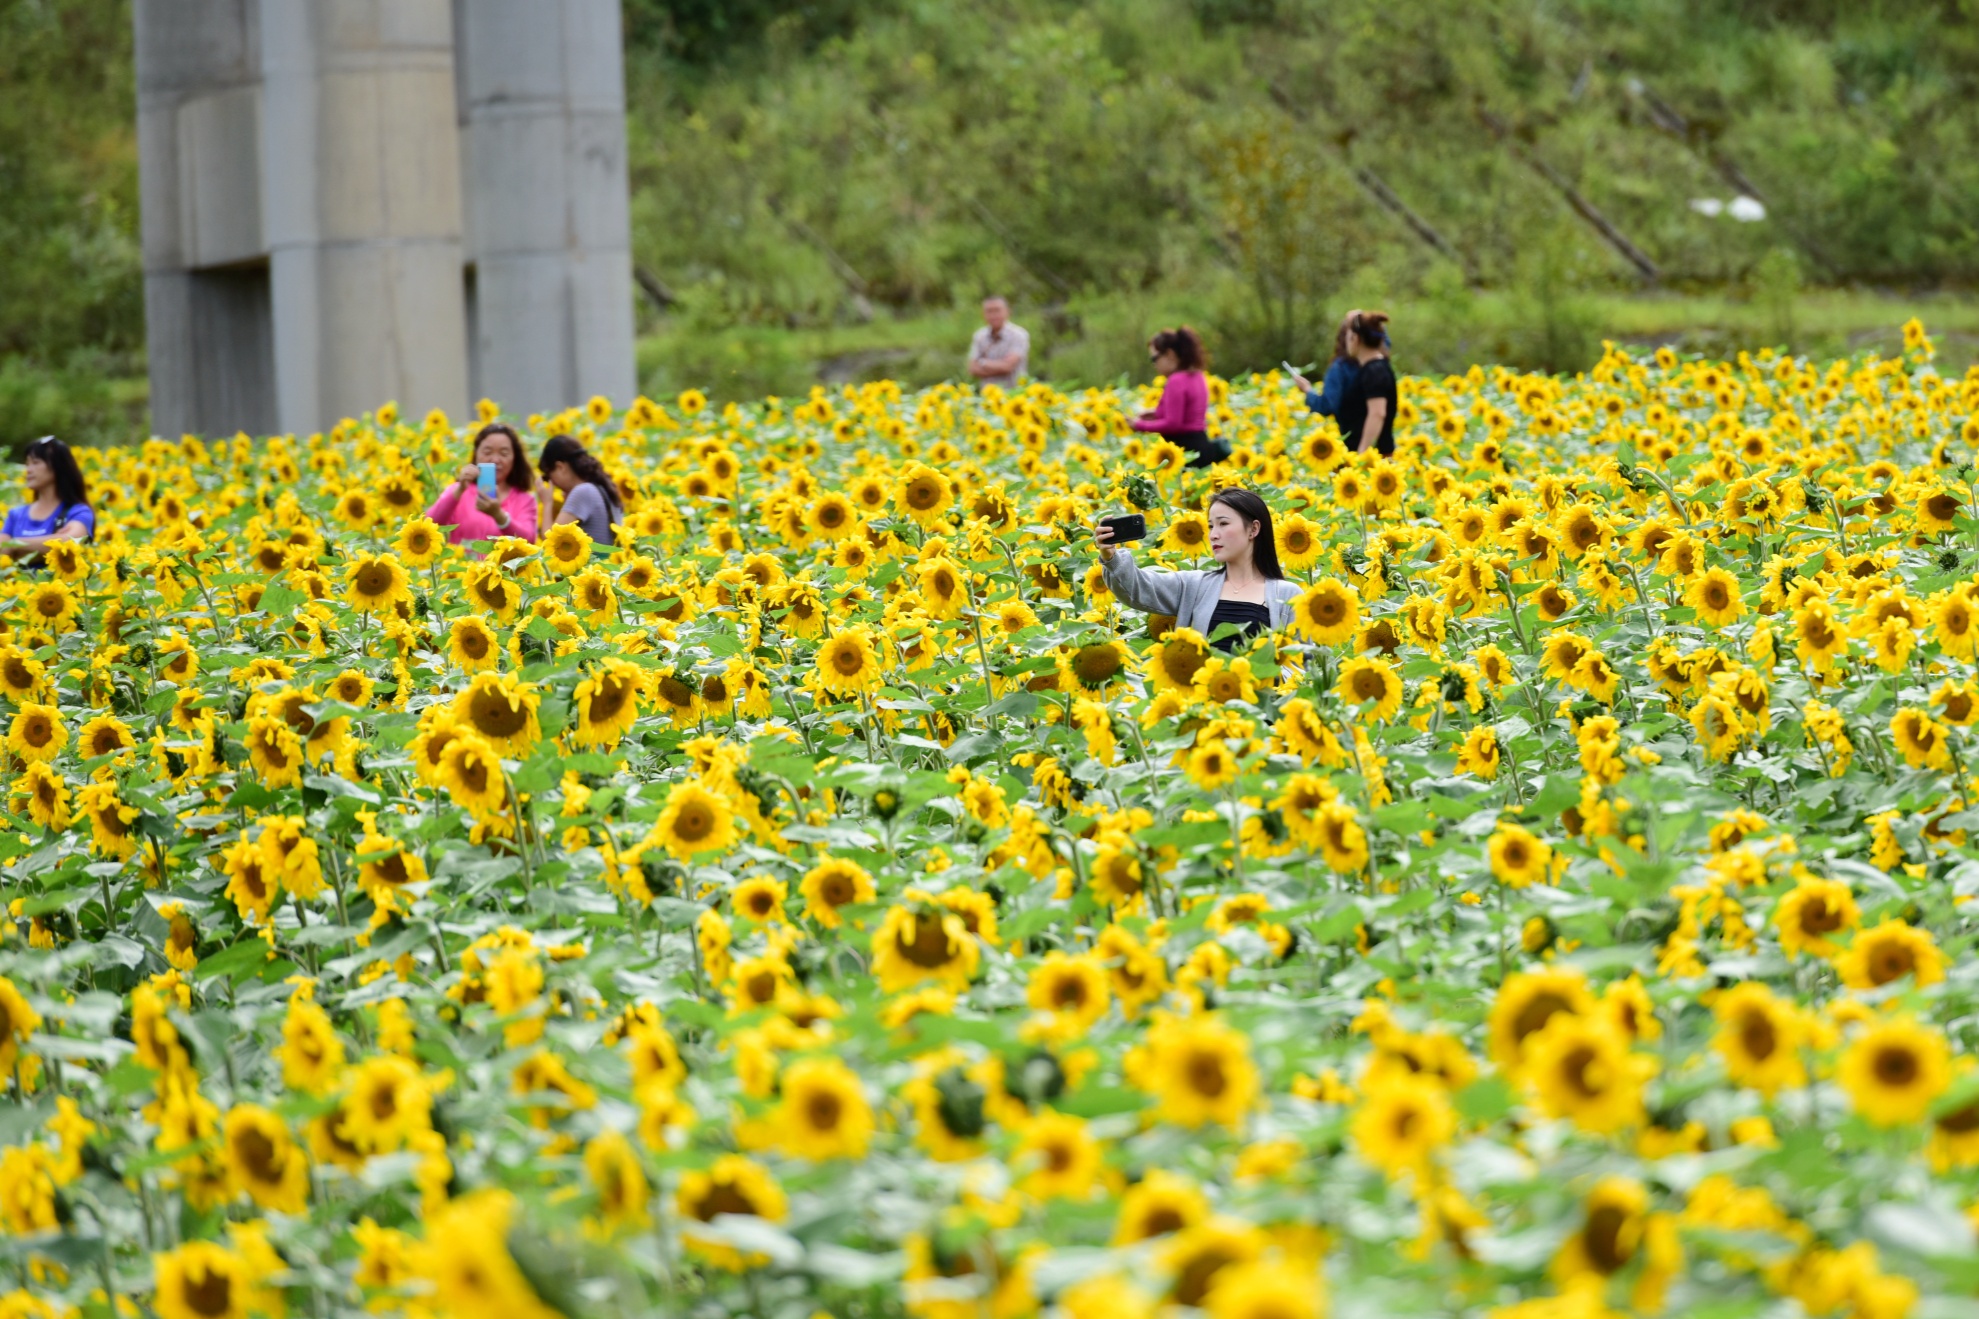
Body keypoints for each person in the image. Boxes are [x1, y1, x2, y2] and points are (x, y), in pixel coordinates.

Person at [1094, 487, 1298, 652]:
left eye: (1223, 524)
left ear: (1253, 529)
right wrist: (1110, 557)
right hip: (1201, 700)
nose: (1213, 535)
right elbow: (1138, 589)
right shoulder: (1194, 586)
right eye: (1210, 526)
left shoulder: (1288, 596)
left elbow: (1300, 665)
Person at [427, 422, 540, 546]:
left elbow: (529, 541)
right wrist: (459, 490)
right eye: (487, 452)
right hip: (463, 564)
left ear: (515, 458)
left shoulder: (525, 500)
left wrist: (499, 516)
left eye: (504, 453)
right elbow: (429, 525)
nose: (495, 460)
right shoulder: (458, 492)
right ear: (476, 455)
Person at [1131, 327, 1229, 468]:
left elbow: (1173, 424)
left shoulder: (1176, 380)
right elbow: (1188, 413)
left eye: (1154, 358)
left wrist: (1139, 425)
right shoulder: (1198, 375)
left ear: (1169, 354)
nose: (1154, 365)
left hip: (1185, 451)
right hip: (1202, 446)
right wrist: (1155, 413)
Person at [0, 436, 95, 558]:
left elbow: (71, 542)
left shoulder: (78, 511)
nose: (28, 470)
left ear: (58, 466)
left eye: (35, 462)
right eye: (27, 463)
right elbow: (2, 551)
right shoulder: (16, 514)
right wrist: (52, 542)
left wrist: (14, 544)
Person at [538, 433, 624, 547]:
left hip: (595, 564)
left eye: (549, 476)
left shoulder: (583, 492)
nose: (552, 483)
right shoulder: (600, 487)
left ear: (560, 467)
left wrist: (547, 503)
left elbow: (550, 541)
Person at [1288, 309, 1373, 423]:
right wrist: (1365, 320)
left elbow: (1327, 406)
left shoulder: (1340, 368)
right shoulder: (1377, 365)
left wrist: (1307, 389)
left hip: (1353, 435)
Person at [1334, 310, 1397, 456]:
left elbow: (1377, 413)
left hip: (1375, 459)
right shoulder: (1373, 368)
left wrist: (1363, 451)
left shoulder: (1374, 371)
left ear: (1355, 338)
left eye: (1347, 336)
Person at [966, 296, 1031, 388]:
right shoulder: (980, 336)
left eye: (997, 310)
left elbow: (1008, 366)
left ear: (1007, 311)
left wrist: (982, 363)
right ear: (983, 314)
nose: (993, 315)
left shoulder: (1018, 335)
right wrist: (1000, 366)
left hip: (1014, 395)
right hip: (988, 397)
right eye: (989, 311)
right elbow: (972, 369)